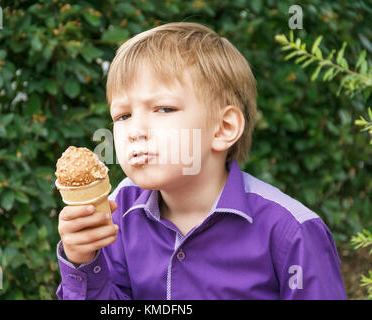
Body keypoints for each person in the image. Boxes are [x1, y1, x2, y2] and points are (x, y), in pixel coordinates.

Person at [55, 22, 347, 299]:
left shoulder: (291, 232)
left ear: (224, 128)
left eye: (164, 109)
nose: (136, 131)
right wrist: (82, 261)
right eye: (123, 116)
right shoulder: (119, 213)